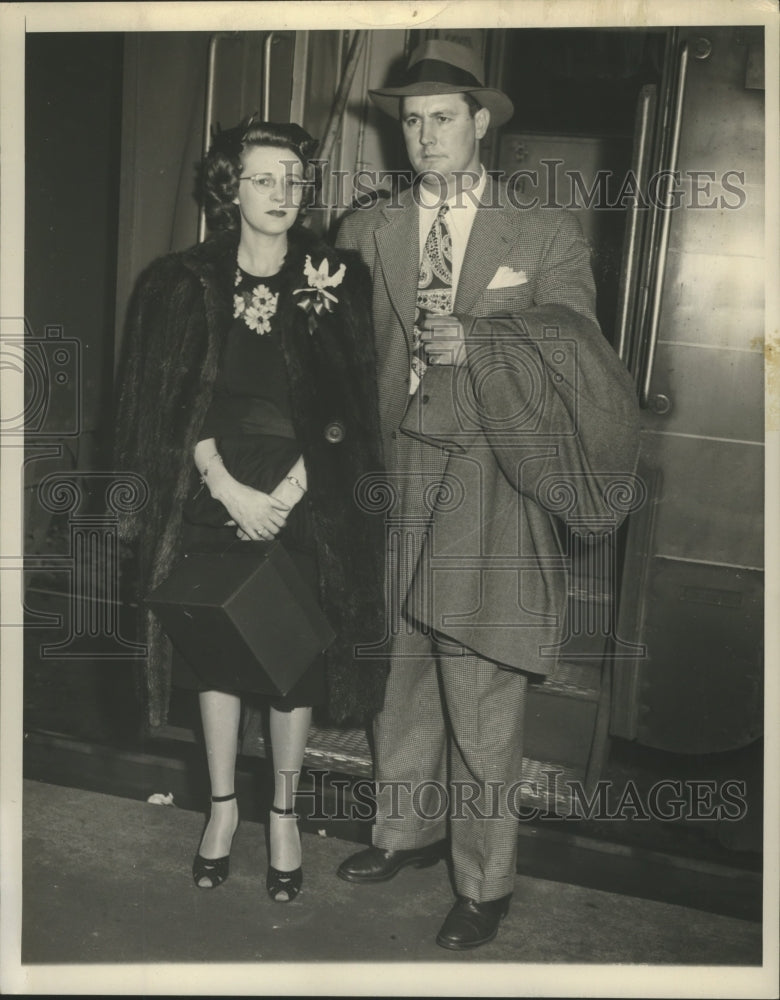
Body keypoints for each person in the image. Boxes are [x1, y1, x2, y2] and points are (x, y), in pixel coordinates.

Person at [336, 40, 640, 948]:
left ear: (481, 124)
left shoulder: (541, 232)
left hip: (490, 480)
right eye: (412, 119)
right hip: (392, 477)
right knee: (400, 672)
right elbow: (342, 363)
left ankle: (484, 883)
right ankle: (404, 831)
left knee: (480, 688)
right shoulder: (366, 228)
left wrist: (484, 337)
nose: (426, 135)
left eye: (443, 117)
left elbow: (581, 351)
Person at [114, 116, 387, 902]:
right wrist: (226, 486)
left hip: (306, 490)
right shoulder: (180, 281)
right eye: (264, 177)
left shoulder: (339, 278)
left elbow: (350, 412)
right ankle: (224, 811)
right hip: (213, 485)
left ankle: (285, 814)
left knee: (290, 659)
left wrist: (291, 493)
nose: (281, 193)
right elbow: (168, 405)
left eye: (294, 178)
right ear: (229, 187)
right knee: (217, 653)